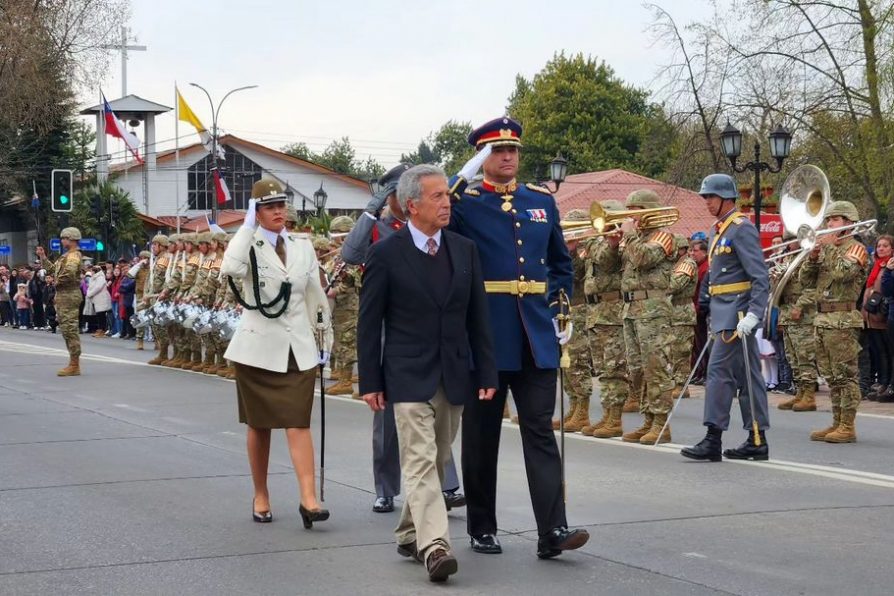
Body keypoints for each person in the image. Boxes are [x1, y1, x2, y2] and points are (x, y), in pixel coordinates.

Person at [449, 116, 589, 558]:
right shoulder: (467, 203)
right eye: (497, 151)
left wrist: (559, 309)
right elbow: (439, 219)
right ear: (482, 158)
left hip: (535, 336)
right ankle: (482, 526)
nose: (508, 157)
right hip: (487, 337)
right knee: (481, 435)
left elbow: (560, 264)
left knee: (540, 433)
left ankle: (553, 529)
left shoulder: (540, 203)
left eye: (513, 150)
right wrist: (460, 178)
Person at [358, 164, 497, 583]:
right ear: (412, 205)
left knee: (435, 459)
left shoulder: (463, 249)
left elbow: (478, 318)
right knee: (418, 459)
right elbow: (369, 322)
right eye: (437, 196)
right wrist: (371, 382)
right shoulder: (385, 253)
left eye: (447, 195)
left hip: (454, 373)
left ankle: (408, 531)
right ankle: (435, 546)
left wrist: (486, 371)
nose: (447, 202)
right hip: (406, 374)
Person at [341, 163, 465, 514]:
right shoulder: (378, 229)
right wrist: (369, 211)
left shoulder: (429, 222)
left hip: (427, 329)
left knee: (438, 415)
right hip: (387, 327)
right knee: (388, 420)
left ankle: (447, 485)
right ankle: (385, 487)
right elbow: (349, 255)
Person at [221, 179, 333, 528]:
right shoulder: (247, 244)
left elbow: (314, 294)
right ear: (257, 211)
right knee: (260, 425)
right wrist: (246, 226)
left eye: (281, 205)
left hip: (297, 348)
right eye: (269, 207)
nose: (278, 212)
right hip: (257, 349)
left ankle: (309, 498)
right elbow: (231, 270)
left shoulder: (302, 246)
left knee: (298, 421)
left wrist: (324, 336)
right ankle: (261, 493)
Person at [681, 174, 770, 462]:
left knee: (718, 374)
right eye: (705, 197)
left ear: (727, 198)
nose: (706, 202)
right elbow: (720, 273)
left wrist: (755, 314)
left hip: (738, 315)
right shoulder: (719, 229)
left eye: (711, 197)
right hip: (723, 312)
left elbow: (759, 277)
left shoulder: (741, 228)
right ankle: (757, 438)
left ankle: (712, 438)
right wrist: (707, 298)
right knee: (748, 377)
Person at [603, 189, 677, 445]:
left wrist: (629, 235)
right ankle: (648, 419)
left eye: (632, 211)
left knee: (656, 368)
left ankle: (661, 423)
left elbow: (645, 259)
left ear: (646, 211)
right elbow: (611, 268)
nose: (628, 217)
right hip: (631, 310)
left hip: (653, 309)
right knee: (638, 369)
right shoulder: (634, 238)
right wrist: (613, 245)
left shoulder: (664, 236)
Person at [800, 201, 868, 442]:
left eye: (835, 220)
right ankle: (837, 422)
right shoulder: (827, 249)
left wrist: (828, 250)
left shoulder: (856, 249)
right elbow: (805, 281)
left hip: (843, 320)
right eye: (828, 220)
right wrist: (812, 257)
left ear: (849, 223)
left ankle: (848, 426)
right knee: (830, 376)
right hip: (823, 319)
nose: (829, 224)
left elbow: (843, 273)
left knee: (845, 375)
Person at [580, 200, 630, 439]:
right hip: (596, 312)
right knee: (601, 368)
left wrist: (613, 241)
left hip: (612, 312)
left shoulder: (621, 243)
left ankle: (615, 418)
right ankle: (607, 414)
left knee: (614, 368)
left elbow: (607, 262)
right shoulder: (596, 240)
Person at [552, 209, 594, 432]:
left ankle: (583, 411)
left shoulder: (586, 252)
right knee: (566, 364)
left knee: (577, 362)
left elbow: (576, 274)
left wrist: (572, 250)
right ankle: (573, 407)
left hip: (580, 309)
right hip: (565, 310)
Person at [775, 242, 818, 410]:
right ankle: (800, 392)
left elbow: (813, 288)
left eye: (791, 241)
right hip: (787, 312)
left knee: (804, 355)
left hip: (803, 314)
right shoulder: (790, 258)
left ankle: (809, 395)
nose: (789, 245)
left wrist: (800, 306)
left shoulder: (807, 258)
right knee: (792, 356)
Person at [36, 228, 83, 375]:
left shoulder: (74, 256)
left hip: (69, 295)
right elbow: (52, 269)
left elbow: (68, 274)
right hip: (63, 296)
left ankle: (74, 364)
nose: (62, 241)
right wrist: (43, 257)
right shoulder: (65, 256)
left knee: (70, 329)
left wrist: (56, 282)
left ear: (72, 239)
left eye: (64, 238)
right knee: (66, 330)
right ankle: (73, 362)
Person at [326, 215, 361, 395]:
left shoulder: (354, 253)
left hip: (350, 306)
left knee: (348, 342)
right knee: (342, 341)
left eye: (337, 236)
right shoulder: (343, 254)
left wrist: (334, 290)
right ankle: (343, 377)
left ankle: (346, 381)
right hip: (341, 307)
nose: (335, 240)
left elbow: (352, 279)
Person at [861, 235, 893, 400]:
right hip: (870, 315)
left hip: (882, 314)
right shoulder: (876, 265)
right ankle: (882, 381)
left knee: (886, 351)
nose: (881, 248)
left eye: (885, 246)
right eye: (879, 246)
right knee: (877, 351)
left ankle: (887, 383)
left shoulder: (889, 266)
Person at [669, 233, 698, 398]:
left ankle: (681, 385)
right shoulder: (674, 265)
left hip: (682, 313)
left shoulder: (687, 264)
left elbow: (675, 285)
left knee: (681, 351)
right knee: (672, 351)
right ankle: (674, 382)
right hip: (672, 312)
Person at [689, 238, 710, 384]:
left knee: (703, 344)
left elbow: (702, 292)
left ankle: (705, 372)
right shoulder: (697, 267)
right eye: (691, 250)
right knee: (697, 345)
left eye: (695, 251)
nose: (692, 254)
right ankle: (699, 372)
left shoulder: (705, 268)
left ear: (704, 252)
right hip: (696, 310)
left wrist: (697, 309)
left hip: (701, 311)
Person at [86, 265, 112, 338]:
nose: (91, 272)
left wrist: (90, 294)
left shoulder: (100, 277)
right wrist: (89, 293)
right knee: (98, 315)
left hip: (101, 298)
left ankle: (102, 330)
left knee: (101, 315)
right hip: (95, 299)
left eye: (92, 271)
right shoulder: (93, 278)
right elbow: (90, 287)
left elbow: (98, 287)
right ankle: (99, 329)